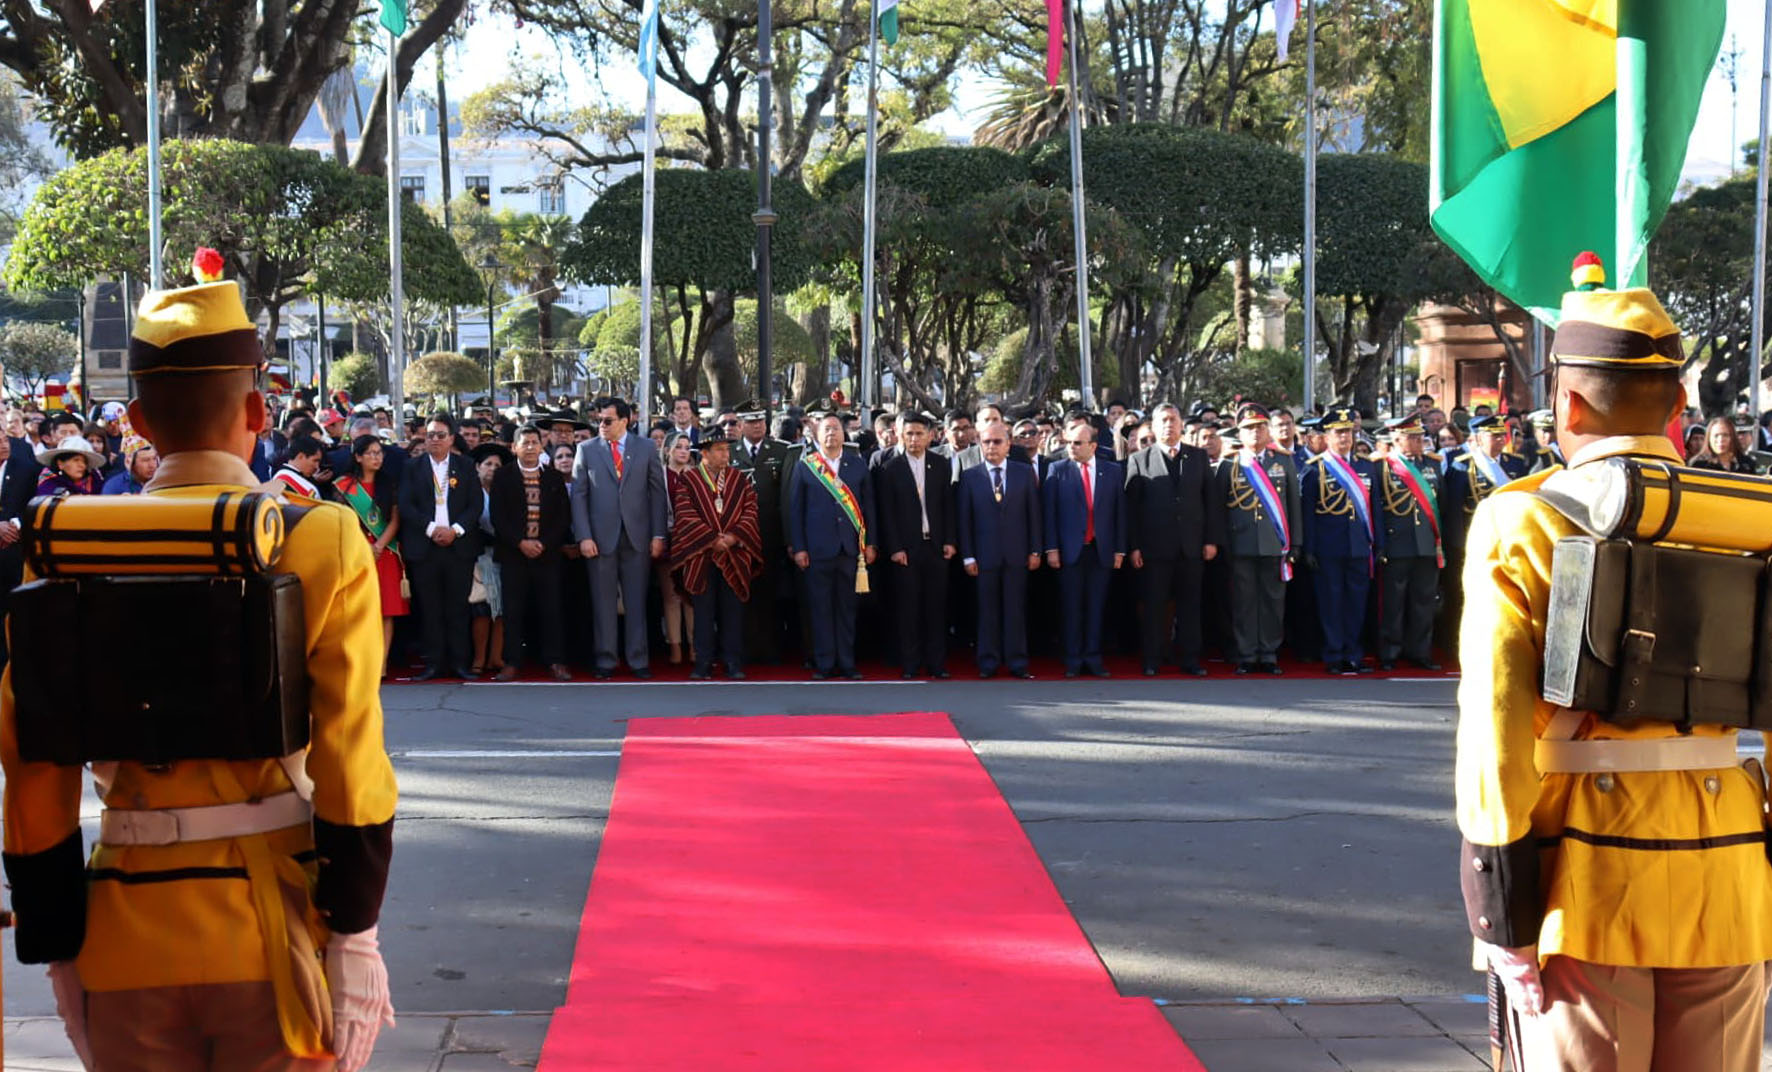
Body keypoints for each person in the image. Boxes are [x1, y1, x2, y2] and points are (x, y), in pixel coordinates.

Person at [2, 259, 396, 1071]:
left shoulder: (68, 543)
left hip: (124, 934)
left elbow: (33, 763)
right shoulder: (319, 536)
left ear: (138, 421)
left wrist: (57, 944)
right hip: (271, 931)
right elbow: (350, 748)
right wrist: (355, 930)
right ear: (257, 410)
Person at [1457, 268, 1772, 1070]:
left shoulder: (1520, 519)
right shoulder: (1746, 517)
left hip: (1584, 872)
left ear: (1566, 404)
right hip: (1732, 869)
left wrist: (1499, 907)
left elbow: (1495, 726)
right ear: (1678, 405)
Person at [570, 397, 669, 680]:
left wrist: (658, 534)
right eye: (599, 420)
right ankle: (606, 659)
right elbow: (579, 496)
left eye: (608, 420)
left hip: (637, 536)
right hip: (600, 539)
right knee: (603, 603)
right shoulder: (587, 449)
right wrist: (584, 536)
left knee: (636, 601)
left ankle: (638, 659)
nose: (601, 425)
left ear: (625, 421)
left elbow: (657, 494)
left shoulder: (646, 447)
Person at [1124, 402, 1223, 677]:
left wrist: (1211, 540)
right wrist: (1134, 546)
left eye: (1173, 420)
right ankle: (1152, 659)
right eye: (1163, 420)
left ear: (1181, 425)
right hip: (1154, 548)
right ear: (1154, 427)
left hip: (1192, 546)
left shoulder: (1198, 457)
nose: (1169, 425)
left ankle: (1190, 659)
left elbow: (1210, 501)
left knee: (1190, 606)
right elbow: (1132, 509)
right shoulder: (1139, 459)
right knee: (1154, 606)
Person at [788, 412, 876, 679]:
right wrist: (799, 547)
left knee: (847, 609)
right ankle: (825, 663)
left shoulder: (857, 465)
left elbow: (869, 507)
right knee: (821, 609)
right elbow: (796, 510)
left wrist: (870, 543)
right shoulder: (806, 466)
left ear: (843, 433)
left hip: (851, 550)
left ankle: (847, 663)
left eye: (835, 428)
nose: (831, 434)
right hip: (817, 550)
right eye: (826, 429)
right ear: (817, 434)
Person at [398, 413, 485, 681]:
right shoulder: (412, 467)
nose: (434, 440)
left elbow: (475, 505)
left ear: (451, 438)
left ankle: (459, 663)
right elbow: (406, 505)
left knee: (458, 607)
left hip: (458, 546)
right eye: (430, 435)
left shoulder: (465, 465)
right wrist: (431, 529)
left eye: (440, 435)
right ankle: (433, 663)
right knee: (430, 608)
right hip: (425, 546)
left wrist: (455, 530)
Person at [670, 432, 762, 680]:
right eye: (720, 450)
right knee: (703, 612)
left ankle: (732, 661)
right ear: (705, 453)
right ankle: (703, 662)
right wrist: (711, 539)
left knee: (733, 611)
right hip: (701, 556)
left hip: (734, 554)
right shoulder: (689, 480)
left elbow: (750, 510)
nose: (725, 455)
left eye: (727, 450)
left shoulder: (739, 479)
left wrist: (733, 536)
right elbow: (685, 515)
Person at [1216, 404, 1300, 675]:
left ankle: (1269, 653)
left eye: (1260, 427)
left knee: (1273, 601)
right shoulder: (1229, 463)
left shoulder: (1283, 461)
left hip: (1275, 543)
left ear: (1268, 431)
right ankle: (1247, 654)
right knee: (1244, 602)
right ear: (1239, 433)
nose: (1255, 432)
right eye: (1249, 428)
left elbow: (1293, 506)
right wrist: (1224, 544)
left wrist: (1295, 543)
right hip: (1241, 543)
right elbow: (1219, 509)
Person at [875, 412, 957, 678]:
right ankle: (910, 664)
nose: (914, 439)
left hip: (936, 546)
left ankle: (937, 664)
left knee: (936, 608)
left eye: (919, 433)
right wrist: (895, 548)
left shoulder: (941, 464)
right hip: (906, 550)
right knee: (908, 609)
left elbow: (948, 505)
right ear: (900, 435)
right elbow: (886, 513)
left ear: (930, 436)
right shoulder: (890, 468)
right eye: (909, 433)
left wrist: (950, 540)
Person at [1043, 415, 1126, 677]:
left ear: (1093, 445)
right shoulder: (1057, 469)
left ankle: (1093, 657)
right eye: (1069, 442)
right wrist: (1051, 548)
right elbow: (1049, 513)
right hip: (1070, 551)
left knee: (1096, 607)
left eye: (1078, 443)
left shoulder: (1112, 471)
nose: (1072, 447)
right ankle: (1073, 659)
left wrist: (1119, 549)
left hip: (1101, 550)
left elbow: (1119, 513)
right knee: (1071, 608)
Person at [957, 420, 1041, 678]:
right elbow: (965, 520)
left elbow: (1034, 514)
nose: (991, 446)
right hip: (984, 556)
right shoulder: (970, 476)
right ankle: (988, 662)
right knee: (987, 612)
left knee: (1015, 611)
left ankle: (1017, 662)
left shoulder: (1023, 472)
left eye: (997, 441)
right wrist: (968, 555)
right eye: (986, 442)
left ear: (1008, 444)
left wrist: (1035, 550)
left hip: (1017, 554)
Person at [1299, 408, 1378, 675]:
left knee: (1356, 603)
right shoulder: (1315, 468)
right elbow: (1308, 513)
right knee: (1331, 602)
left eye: (1348, 432)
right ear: (1327, 437)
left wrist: (1379, 544)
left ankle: (1353, 654)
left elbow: (1375, 509)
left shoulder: (1366, 466)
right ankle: (1334, 654)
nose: (1344, 437)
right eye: (1338, 433)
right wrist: (1309, 548)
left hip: (1359, 544)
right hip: (1328, 546)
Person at [490, 426, 572, 682]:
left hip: (547, 554)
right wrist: (520, 542)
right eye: (524, 443)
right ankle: (512, 662)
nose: (530, 447)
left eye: (534, 442)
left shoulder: (553, 477)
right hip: (514, 553)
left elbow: (563, 517)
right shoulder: (503, 476)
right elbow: (498, 517)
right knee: (513, 610)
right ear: (514, 447)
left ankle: (555, 661)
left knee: (551, 609)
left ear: (541, 446)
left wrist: (544, 543)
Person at [332, 434, 408, 676]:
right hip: (357, 552)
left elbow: (395, 520)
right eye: (371, 453)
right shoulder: (344, 486)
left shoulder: (389, 483)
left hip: (385, 553)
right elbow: (340, 520)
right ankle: (361, 662)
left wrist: (379, 545)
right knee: (360, 610)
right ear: (358, 457)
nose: (377, 458)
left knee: (386, 611)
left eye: (379, 453)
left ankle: (381, 664)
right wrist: (363, 546)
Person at [1373, 414, 1443, 671]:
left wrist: (1439, 541)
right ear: (1397, 440)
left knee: (1423, 601)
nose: (1418, 441)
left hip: (1426, 543)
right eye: (1412, 437)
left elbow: (1442, 505)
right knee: (1393, 602)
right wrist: (1381, 545)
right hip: (1397, 542)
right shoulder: (1382, 466)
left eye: (1420, 437)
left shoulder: (1432, 465)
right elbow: (1376, 510)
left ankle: (1420, 650)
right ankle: (1390, 651)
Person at [729, 400, 789, 664]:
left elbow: (786, 495)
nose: (757, 426)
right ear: (741, 425)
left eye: (761, 421)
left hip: (770, 536)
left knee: (769, 594)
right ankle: (744, 648)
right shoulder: (729, 452)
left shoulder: (781, 451)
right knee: (741, 593)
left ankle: (769, 648)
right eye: (752, 422)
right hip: (738, 538)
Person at [468, 442, 511, 677]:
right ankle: (478, 658)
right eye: (488, 464)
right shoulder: (470, 491)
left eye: (497, 465)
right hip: (478, 554)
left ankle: (496, 656)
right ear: (478, 467)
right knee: (481, 607)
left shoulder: (504, 491)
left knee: (501, 607)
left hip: (503, 553)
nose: (492, 468)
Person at [658, 433, 698, 665]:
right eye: (679, 447)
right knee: (671, 596)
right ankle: (675, 646)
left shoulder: (696, 475)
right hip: (667, 540)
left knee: (691, 595)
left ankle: (693, 645)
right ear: (668, 451)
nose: (684, 451)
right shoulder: (659, 476)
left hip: (692, 541)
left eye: (687, 447)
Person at [34, 435, 105, 496]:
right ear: (60, 464)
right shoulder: (48, 485)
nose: (82, 465)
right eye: (76, 460)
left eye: (84, 462)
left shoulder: (95, 481)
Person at [1690, 415, 1758, 473]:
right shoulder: (1698, 464)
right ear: (1709, 438)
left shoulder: (1747, 464)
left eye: (1725, 435)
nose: (1721, 440)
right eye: (1716, 436)